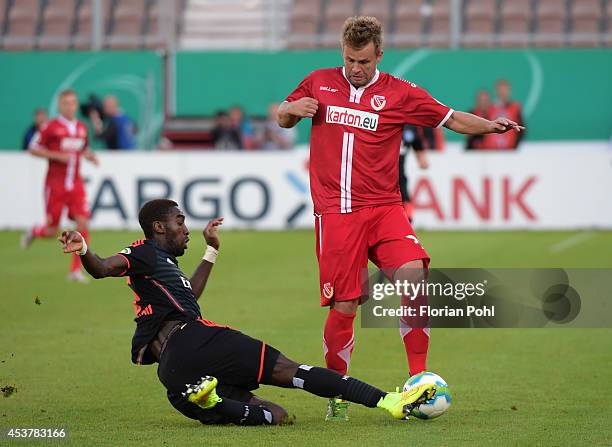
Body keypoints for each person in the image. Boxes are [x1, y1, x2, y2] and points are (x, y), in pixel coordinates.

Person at [277, 16, 524, 420]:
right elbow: (284, 118)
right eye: (350, 59)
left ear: (379, 55)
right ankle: (336, 394)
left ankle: (419, 380)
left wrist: (491, 127)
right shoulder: (318, 81)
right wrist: (290, 109)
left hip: (386, 208)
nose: (356, 68)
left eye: (364, 61)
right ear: (343, 51)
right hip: (338, 214)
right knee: (344, 306)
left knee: (414, 279)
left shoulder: (399, 92)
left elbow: (451, 117)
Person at [56, 199, 437, 425]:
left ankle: (214, 401)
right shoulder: (141, 251)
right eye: (180, 222)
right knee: (295, 372)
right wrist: (85, 249)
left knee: (277, 415)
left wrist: (211, 250)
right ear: (159, 226)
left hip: (174, 375)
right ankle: (389, 401)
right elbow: (104, 267)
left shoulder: (162, 266)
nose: (186, 228)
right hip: (196, 340)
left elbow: (191, 291)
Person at [23, 89, 99, 282]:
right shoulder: (50, 127)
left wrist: (90, 156)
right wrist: (56, 156)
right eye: (66, 103)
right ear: (59, 105)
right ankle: (34, 231)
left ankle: (75, 270)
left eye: (73, 103)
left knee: (82, 222)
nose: (70, 106)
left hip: (75, 184)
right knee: (51, 231)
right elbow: (33, 148)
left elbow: (83, 147)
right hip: (55, 185)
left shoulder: (81, 127)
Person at [482, 80, 525, 150]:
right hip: (490, 149)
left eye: (504, 90)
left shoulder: (515, 107)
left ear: (509, 91)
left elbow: (521, 129)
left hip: (509, 149)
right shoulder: (489, 107)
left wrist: (515, 146)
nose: (502, 93)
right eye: (500, 90)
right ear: (496, 91)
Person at [399, 125, 429, 222]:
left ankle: (408, 224)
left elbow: (417, 143)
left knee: (405, 198)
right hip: (379, 174)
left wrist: (421, 159)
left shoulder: (411, 127)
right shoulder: (384, 119)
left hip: (399, 176)